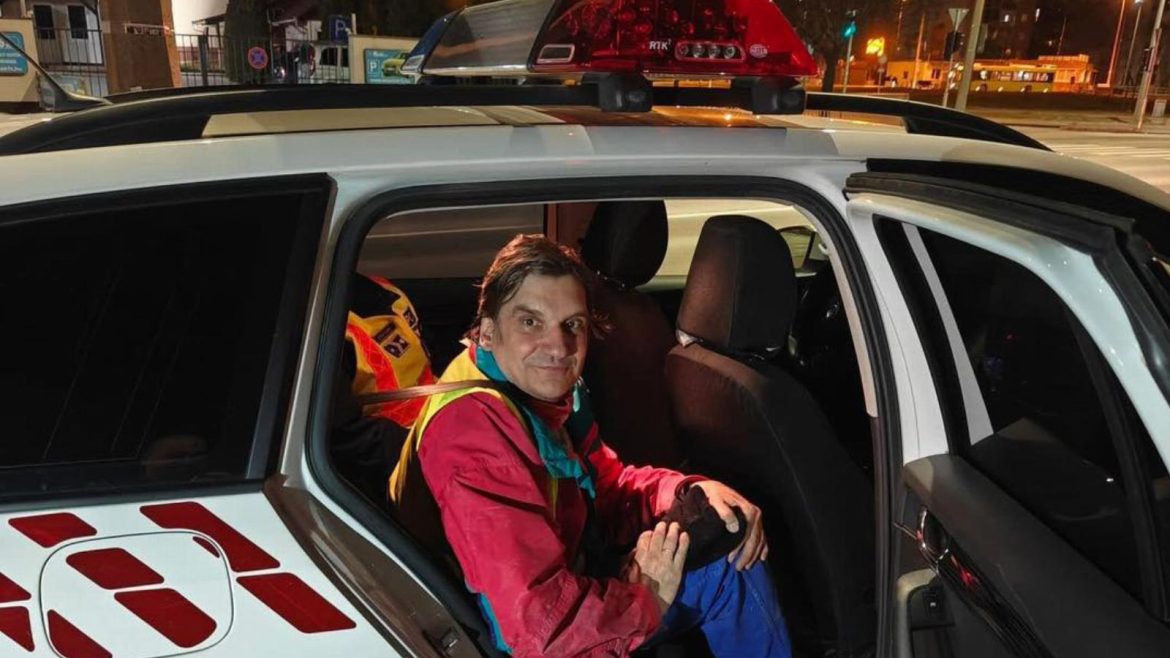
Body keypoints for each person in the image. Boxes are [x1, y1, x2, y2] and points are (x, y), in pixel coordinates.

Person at [389, 235, 791, 657]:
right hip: (522, 639)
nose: (559, 347)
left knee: (721, 526)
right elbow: (539, 632)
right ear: (488, 332)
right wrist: (646, 600)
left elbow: (606, 486)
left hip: (570, 582)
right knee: (728, 565)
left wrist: (690, 490)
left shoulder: (540, 393)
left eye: (572, 325)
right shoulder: (473, 435)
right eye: (530, 322)